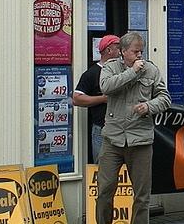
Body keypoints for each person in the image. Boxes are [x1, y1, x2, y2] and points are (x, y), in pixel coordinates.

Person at [96, 32, 171, 224]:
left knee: (142, 195)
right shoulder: (111, 68)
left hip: (140, 139)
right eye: (135, 52)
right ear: (122, 52)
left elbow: (165, 98)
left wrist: (149, 106)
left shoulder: (152, 70)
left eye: (141, 51)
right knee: (104, 191)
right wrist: (132, 72)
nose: (139, 55)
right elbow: (106, 87)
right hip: (113, 139)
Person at [73, 34, 120, 163]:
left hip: (123, 129)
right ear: (109, 50)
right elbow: (77, 99)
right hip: (101, 128)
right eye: (118, 48)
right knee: (102, 168)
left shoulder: (124, 71)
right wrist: (103, 99)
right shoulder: (91, 73)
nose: (121, 52)